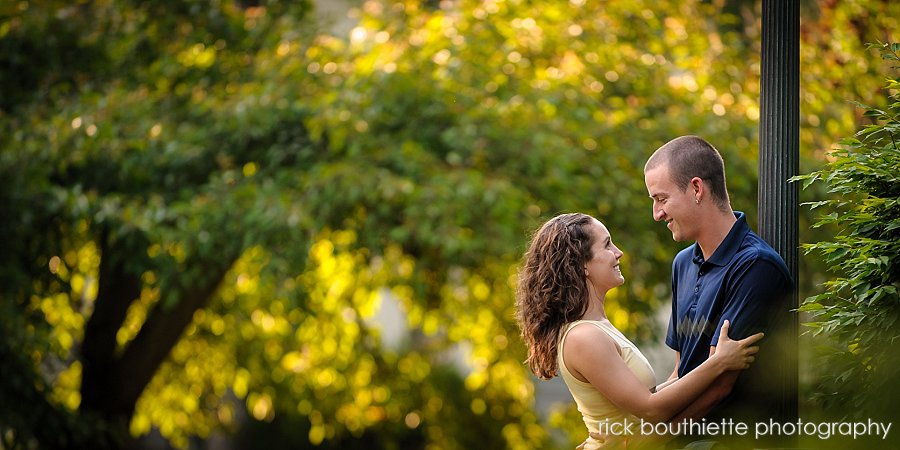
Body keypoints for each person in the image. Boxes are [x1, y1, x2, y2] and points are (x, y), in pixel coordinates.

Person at [515, 212, 764, 450]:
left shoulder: (597, 326)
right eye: (607, 245)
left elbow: (649, 397)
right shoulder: (584, 337)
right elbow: (651, 408)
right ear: (582, 266)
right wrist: (719, 362)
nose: (618, 252)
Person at [643, 135, 794, 445]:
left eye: (661, 199)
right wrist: (628, 424)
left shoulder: (755, 265)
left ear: (697, 189)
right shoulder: (683, 264)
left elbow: (719, 386)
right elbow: (681, 373)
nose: (657, 214)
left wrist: (654, 441)